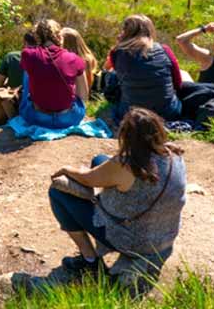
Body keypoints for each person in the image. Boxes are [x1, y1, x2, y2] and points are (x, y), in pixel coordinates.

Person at [49, 107, 187, 284]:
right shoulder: (174, 153)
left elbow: (87, 179)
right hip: (164, 235)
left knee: (58, 193)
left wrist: (68, 169)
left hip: (133, 241)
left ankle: (90, 262)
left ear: (127, 137)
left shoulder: (126, 165)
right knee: (99, 159)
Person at [106, 15, 183, 123]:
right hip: (168, 114)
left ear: (125, 31)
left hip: (130, 115)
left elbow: (107, 68)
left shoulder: (117, 53)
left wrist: (118, 44)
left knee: (112, 75)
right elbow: (178, 83)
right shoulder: (164, 49)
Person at [19, 19, 88, 129]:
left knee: (29, 71)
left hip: (37, 118)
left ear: (37, 36)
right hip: (68, 119)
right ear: (60, 36)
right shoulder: (75, 59)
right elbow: (83, 95)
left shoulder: (27, 54)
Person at [174, 22, 214, 86]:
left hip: (206, 95)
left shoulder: (208, 60)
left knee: (183, 74)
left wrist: (204, 29)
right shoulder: (209, 59)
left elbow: (181, 40)